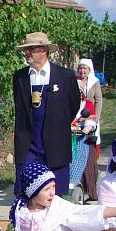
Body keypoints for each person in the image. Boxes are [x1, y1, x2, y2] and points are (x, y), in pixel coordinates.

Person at [12, 32, 80, 197]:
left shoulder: (65, 76)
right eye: (25, 50)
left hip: (56, 144)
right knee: (26, 192)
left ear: (44, 50)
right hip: (29, 144)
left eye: (31, 49)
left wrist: (56, 125)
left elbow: (73, 106)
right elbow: (20, 109)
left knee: (54, 195)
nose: (27, 53)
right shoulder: (20, 77)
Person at [76, 58, 103, 201]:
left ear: (89, 70)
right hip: (76, 118)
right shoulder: (74, 81)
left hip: (90, 117)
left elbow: (98, 100)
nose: (82, 71)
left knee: (89, 154)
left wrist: (95, 118)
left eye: (85, 68)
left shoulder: (94, 82)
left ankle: (90, 186)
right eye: (80, 68)